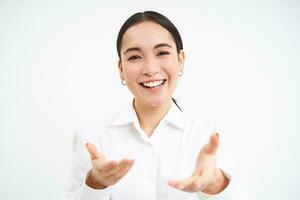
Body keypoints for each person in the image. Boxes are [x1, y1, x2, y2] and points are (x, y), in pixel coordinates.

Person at [68, 11, 248, 200]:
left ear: (180, 60)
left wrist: (216, 183)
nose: (151, 69)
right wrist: (96, 184)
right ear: (121, 69)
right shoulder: (92, 137)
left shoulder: (209, 138)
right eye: (135, 57)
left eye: (162, 53)